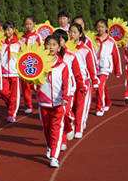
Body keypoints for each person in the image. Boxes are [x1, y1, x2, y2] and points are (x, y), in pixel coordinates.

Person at [37, 35, 70, 168]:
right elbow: (33, 78)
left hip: (58, 103)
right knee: (46, 129)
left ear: (58, 47)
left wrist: (65, 98)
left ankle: (54, 157)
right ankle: (50, 146)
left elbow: (67, 83)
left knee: (56, 129)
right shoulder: (39, 63)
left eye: (54, 44)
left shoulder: (63, 65)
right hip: (43, 102)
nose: (51, 47)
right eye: (48, 44)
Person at [52, 29, 85, 151]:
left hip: (68, 91)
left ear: (65, 41)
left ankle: (63, 139)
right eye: (56, 40)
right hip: (54, 91)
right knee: (57, 117)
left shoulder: (71, 56)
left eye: (60, 39)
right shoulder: (49, 57)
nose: (58, 42)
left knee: (64, 113)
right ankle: (67, 130)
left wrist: (81, 86)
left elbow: (77, 73)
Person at [68, 23, 99, 138]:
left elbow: (91, 67)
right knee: (71, 106)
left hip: (84, 82)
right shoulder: (65, 49)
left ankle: (79, 128)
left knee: (81, 105)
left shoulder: (85, 50)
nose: (71, 34)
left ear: (80, 34)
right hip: (71, 82)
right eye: (70, 31)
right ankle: (71, 125)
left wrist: (94, 80)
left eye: (74, 32)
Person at [94, 19, 122, 116]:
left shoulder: (111, 41)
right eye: (98, 27)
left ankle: (99, 107)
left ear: (106, 28)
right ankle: (108, 101)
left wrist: (118, 70)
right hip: (95, 67)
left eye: (102, 27)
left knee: (100, 86)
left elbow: (116, 55)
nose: (100, 29)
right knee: (102, 87)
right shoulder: (93, 39)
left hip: (105, 67)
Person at [0, 21, 21, 122]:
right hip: (3, 73)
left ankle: (12, 114)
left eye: (9, 29)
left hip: (14, 73)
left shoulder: (19, 44)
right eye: (6, 29)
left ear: (14, 29)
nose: (8, 31)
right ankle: (12, 104)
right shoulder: (1, 44)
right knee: (3, 92)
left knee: (14, 95)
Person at [20, 16, 42, 114]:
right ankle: (28, 105)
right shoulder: (22, 37)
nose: (28, 26)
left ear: (34, 24)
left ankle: (41, 101)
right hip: (25, 64)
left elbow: (41, 49)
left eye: (30, 24)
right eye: (26, 24)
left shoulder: (37, 36)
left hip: (35, 63)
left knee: (36, 85)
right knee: (25, 86)